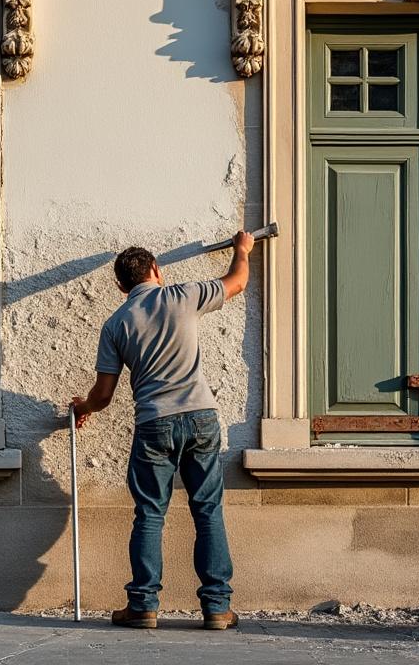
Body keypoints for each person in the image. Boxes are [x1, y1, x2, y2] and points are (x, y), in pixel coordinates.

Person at [70, 231, 254, 631]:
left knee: (150, 513)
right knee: (207, 511)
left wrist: (82, 408)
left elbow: (103, 394)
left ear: (121, 286)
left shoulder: (116, 324)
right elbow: (237, 281)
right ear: (156, 269)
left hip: (154, 422)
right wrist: (243, 248)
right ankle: (218, 607)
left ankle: (143, 605)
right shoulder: (182, 296)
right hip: (201, 416)